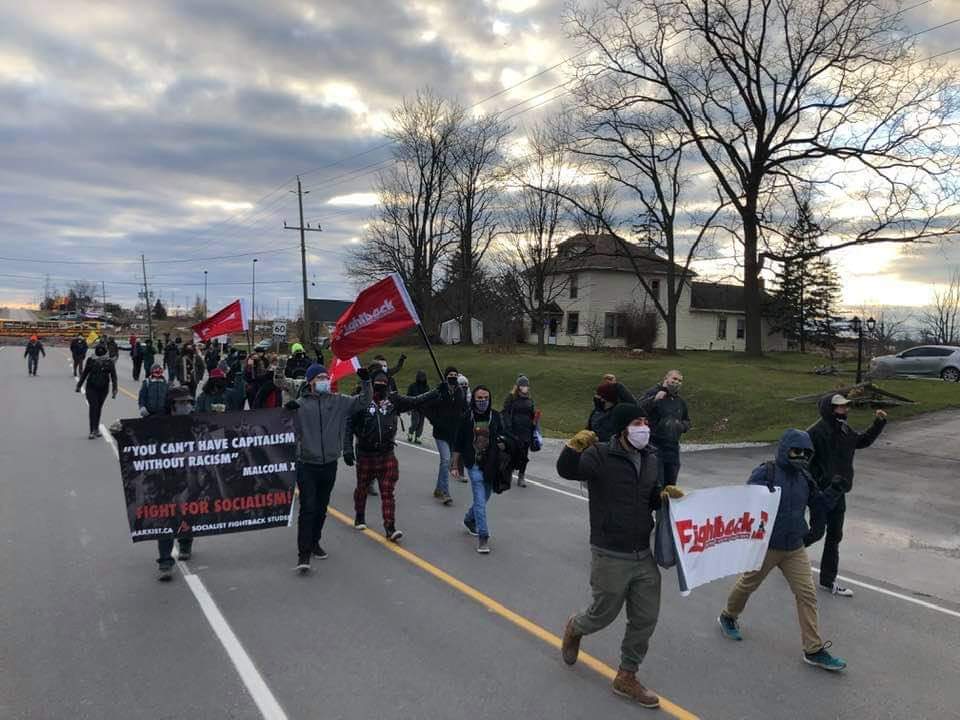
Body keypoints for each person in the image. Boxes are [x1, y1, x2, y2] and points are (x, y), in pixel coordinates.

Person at [556, 404, 681, 709]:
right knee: (603, 614)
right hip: (609, 550)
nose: (644, 427)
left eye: (645, 421)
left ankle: (627, 675)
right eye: (637, 422)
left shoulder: (651, 457)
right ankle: (576, 627)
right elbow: (567, 471)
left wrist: (662, 497)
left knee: (645, 618)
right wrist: (572, 449)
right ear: (624, 428)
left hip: (642, 552)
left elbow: (648, 495)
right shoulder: (600, 455)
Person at [717, 429, 848, 672]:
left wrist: (834, 490)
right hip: (767, 546)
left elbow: (818, 504)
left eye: (805, 453)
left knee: (807, 594)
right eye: (796, 451)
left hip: (794, 547)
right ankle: (728, 615)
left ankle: (813, 649)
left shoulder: (804, 478)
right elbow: (745, 503)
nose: (800, 456)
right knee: (748, 584)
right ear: (785, 449)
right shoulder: (766, 472)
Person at [283, 364, 371, 574]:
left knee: (321, 507)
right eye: (319, 377)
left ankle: (315, 542)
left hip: (329, 463)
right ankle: (303, 554)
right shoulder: (301, 405)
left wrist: (366, 382)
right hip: (307, 464)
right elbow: (283, 424)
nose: (324, 380)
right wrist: (288, 410)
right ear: (310, 382)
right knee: (308, 508)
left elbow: (363, 402)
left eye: (325, 377)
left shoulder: (338, 401)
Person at [348, 364, 442, 542]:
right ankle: (360, 515)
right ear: (372, 383)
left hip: (387, 453)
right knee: (362, 487)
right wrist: (347, 448)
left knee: (387, 491)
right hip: (366, 453)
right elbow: (349, 424)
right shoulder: (361, 400)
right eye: (378, 382)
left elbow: (415, 401)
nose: (381, 386)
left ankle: (390, 527)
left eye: (384, 383)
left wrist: (436, 391)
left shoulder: (394, 400)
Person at [806, 393, 887, 597]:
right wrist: (819, 484)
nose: (846, 410)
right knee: (816, 533)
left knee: (835, 536)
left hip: (839, 491)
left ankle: (828, 580)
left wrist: (879, 423)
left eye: (846, 406)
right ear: (830, 409)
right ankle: (784, 552)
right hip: (822, 494)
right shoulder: (815, 432)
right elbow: (805, 463)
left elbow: (862, 441)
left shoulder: (844, 429)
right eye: (841, 407)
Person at [452, 385, 513, 554]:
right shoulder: (467, 417)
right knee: (480, 499)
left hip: (491, 465)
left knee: (484, 497)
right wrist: (455, 464)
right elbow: (458, 442)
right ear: (474, 399)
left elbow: (505, 435)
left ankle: (469, 519)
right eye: (479, 398)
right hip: (474, 465)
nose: (482, 401)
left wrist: (503, 442)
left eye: (485, 398)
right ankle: (483, 537)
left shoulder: (496, 416)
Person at [155, 386, 196, 580]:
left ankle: (186, 543)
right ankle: (165, 561)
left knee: (188, 513)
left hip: (189, 476)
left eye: (188, 402)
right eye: (182, 403)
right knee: (166, 519)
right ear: (172, 405)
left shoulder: (196, 422)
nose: (186, 406)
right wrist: (118, 431)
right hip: (165, 479)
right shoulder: (158, 423)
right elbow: (135, 439)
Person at [422, 366, 469, 506]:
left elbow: (465, 408)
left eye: (455, 374)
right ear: (446, 376)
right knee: (446, 460)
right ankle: (445, 493)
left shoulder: (460, 392)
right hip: (441, 432)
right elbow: (426, 407)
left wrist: (464, 419)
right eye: (450, 374)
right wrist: (435, 421)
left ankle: (438, 488)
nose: (453, 377)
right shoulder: (439, 391)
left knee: (446, 462)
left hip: (454, 433)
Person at [643, 370, 691, 487]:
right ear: (666, 379)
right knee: (657, 484)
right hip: (655, 445)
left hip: (673, 447)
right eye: (674, 379)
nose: (677, 382)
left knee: (670, 485)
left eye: (680, 381)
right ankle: (656, 505)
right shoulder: (654, 393)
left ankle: (667, 505)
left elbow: (687, 420)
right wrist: (654, 399)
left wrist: (681, 426)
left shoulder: (680, 402)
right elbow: (640, 408)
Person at [76, 343, 118, 439]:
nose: (99, 351)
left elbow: (113, 376)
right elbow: (85, 373)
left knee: (98, 408)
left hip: (103, 389)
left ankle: (96, 428)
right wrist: (79, 385)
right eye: (98, 350)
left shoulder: (109, 362)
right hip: (91, 387)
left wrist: (115, 389)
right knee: (93, 407)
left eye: (101, 350)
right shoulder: (91, 360)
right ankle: (92, 430)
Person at [502, 375, 536, 488]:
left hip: (526, 431)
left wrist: (534, 422)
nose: (525, 387)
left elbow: (532, 414)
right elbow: (505, 412)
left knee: (524, 455)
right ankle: (509, 473)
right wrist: (508, 427)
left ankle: (521, 476)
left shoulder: (529, 400)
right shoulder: (511, 398)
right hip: (514, 431)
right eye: (522, 385)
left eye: (526, 385)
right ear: (518, 386)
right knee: (512, 453)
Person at [405, 370, 430, 443]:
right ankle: (410, 432)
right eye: (420, 377)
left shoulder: (427, 387)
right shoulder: (412, 386)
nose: (422, 378)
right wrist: (408, 408)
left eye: (423, 377)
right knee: (415, 422)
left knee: (421, 424)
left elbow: (428, 398)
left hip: (423, 408)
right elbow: (408, 397)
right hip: (414, 407)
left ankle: (418, 437)